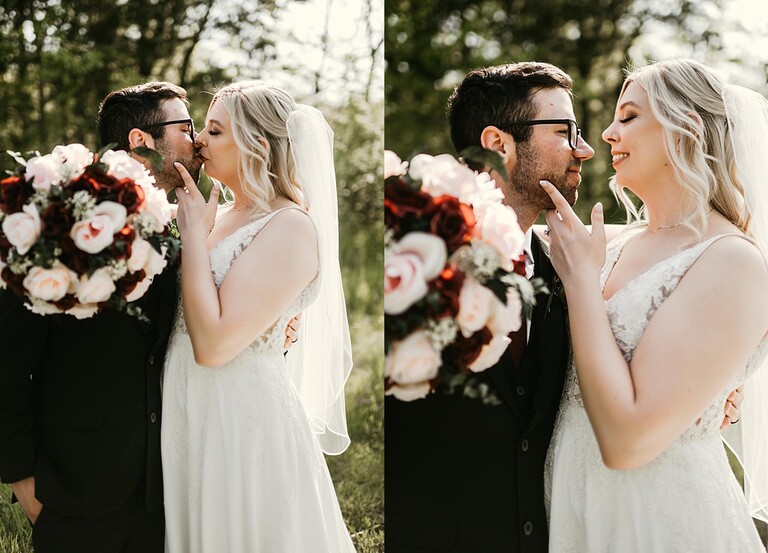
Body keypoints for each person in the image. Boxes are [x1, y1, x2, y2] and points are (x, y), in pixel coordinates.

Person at [385, 62, 746, 553]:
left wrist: (715, 382)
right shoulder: (411, 246)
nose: (593, 143)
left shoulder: (576, 261)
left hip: (641, 521)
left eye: (628, 117)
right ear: (498, 144)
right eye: (565, 131)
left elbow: (711, 299)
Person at [0, 80, 300, 552]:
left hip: (172, 487)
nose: (197, 140)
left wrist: (272, 326)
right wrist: (22, 480)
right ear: (141, 139)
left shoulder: (190, 221)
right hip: (77, 487)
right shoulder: (64, 213)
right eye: (187, 127)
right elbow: (7, 358)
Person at [543, 58, 768, 551]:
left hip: (658, 518)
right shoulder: (613, 243)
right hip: (575, 505)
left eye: (628, 117)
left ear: (686, 130)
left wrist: (581, 286)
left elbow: (627, 443)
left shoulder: (731, 261)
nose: (607, 134)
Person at [161, 80, 355, 552]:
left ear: (259, 147)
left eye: (215, 131)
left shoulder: (290, 226)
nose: (198, 140)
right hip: (188, 405)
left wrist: (193, 238)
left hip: (239, 420)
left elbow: (215, 346)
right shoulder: (220, 214)